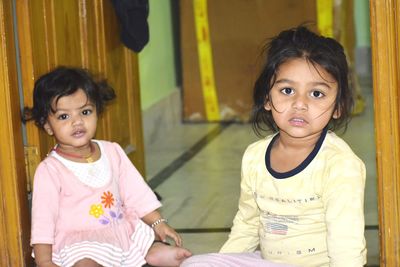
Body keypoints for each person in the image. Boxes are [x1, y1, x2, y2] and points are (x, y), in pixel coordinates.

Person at [181, 26, 366, 267]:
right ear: (267, 98)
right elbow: (247, 225)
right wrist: (223, 262)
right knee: (195, 264)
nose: (300, 104)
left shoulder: (340, 165)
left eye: (317, 94)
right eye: (287, 90)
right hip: (268, 262)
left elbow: (347, 246)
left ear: (338, 107)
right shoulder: (254, 156)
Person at [23, 67, 192, 267]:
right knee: (85, 263)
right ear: (48, 126)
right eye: (63, 117)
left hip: (119, 230)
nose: (77, 122)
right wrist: (44, 262)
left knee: (143, 240)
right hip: (80, 242)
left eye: (85, 112)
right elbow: (43, 220)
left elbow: (136, 193)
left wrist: (158, 223)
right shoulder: (50, 169)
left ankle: (153, 252)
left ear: (97, 112)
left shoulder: (112, 151)